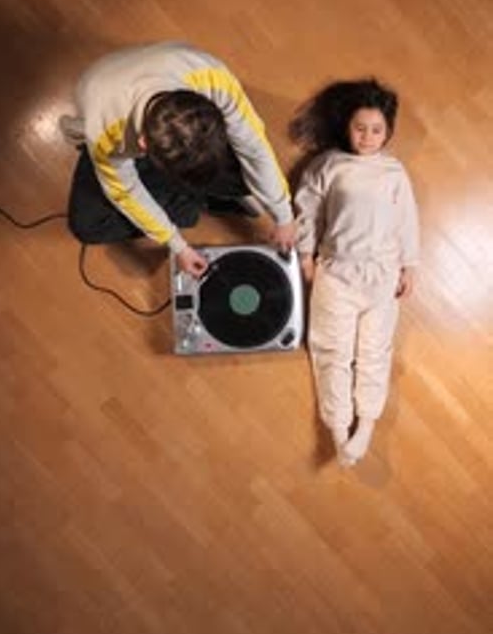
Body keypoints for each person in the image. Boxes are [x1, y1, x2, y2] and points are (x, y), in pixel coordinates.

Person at [60, 41, 295, 276]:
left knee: (248, 174)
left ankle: (190, 200)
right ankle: (190, 205)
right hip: (109, 119)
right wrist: (177, 245)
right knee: (87, 227)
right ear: (143, 146)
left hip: (142, 94)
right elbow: (126, 191)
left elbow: (253, 146)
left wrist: (283, 215)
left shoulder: (211, 77)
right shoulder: (106, 135)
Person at [292, 78, 419, 466]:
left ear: (388, 132)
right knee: (332, 350)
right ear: (347, 127)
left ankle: (365, 425)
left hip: (381, 275)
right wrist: (305, 254)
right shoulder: (327, 166)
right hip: (336, 273)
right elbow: (307, 211)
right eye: (360, 128)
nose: (367, 137)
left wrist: (409, 263)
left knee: (374, 352)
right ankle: (335, 426)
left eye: (376, 130)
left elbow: (406, 220)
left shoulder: (394, 172)